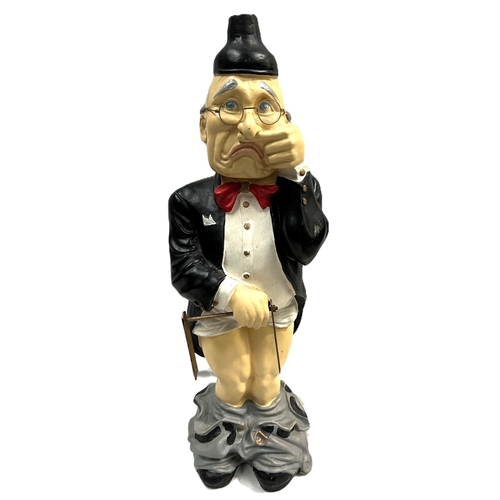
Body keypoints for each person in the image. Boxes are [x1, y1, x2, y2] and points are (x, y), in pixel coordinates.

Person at [168, 14, 328, 492]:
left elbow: (308, 245)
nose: (249, 127)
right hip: (218, 311)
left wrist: (297, 174)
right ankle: (218, 439)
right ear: (204, 125)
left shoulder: (296, 189)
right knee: (235, 383)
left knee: (266, 382)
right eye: (231, 106)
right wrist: (230, 293)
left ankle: (272, 443)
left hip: (278, 306)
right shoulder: (187, 201)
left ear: (286, 124)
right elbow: (183, 268)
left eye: (266, 109)